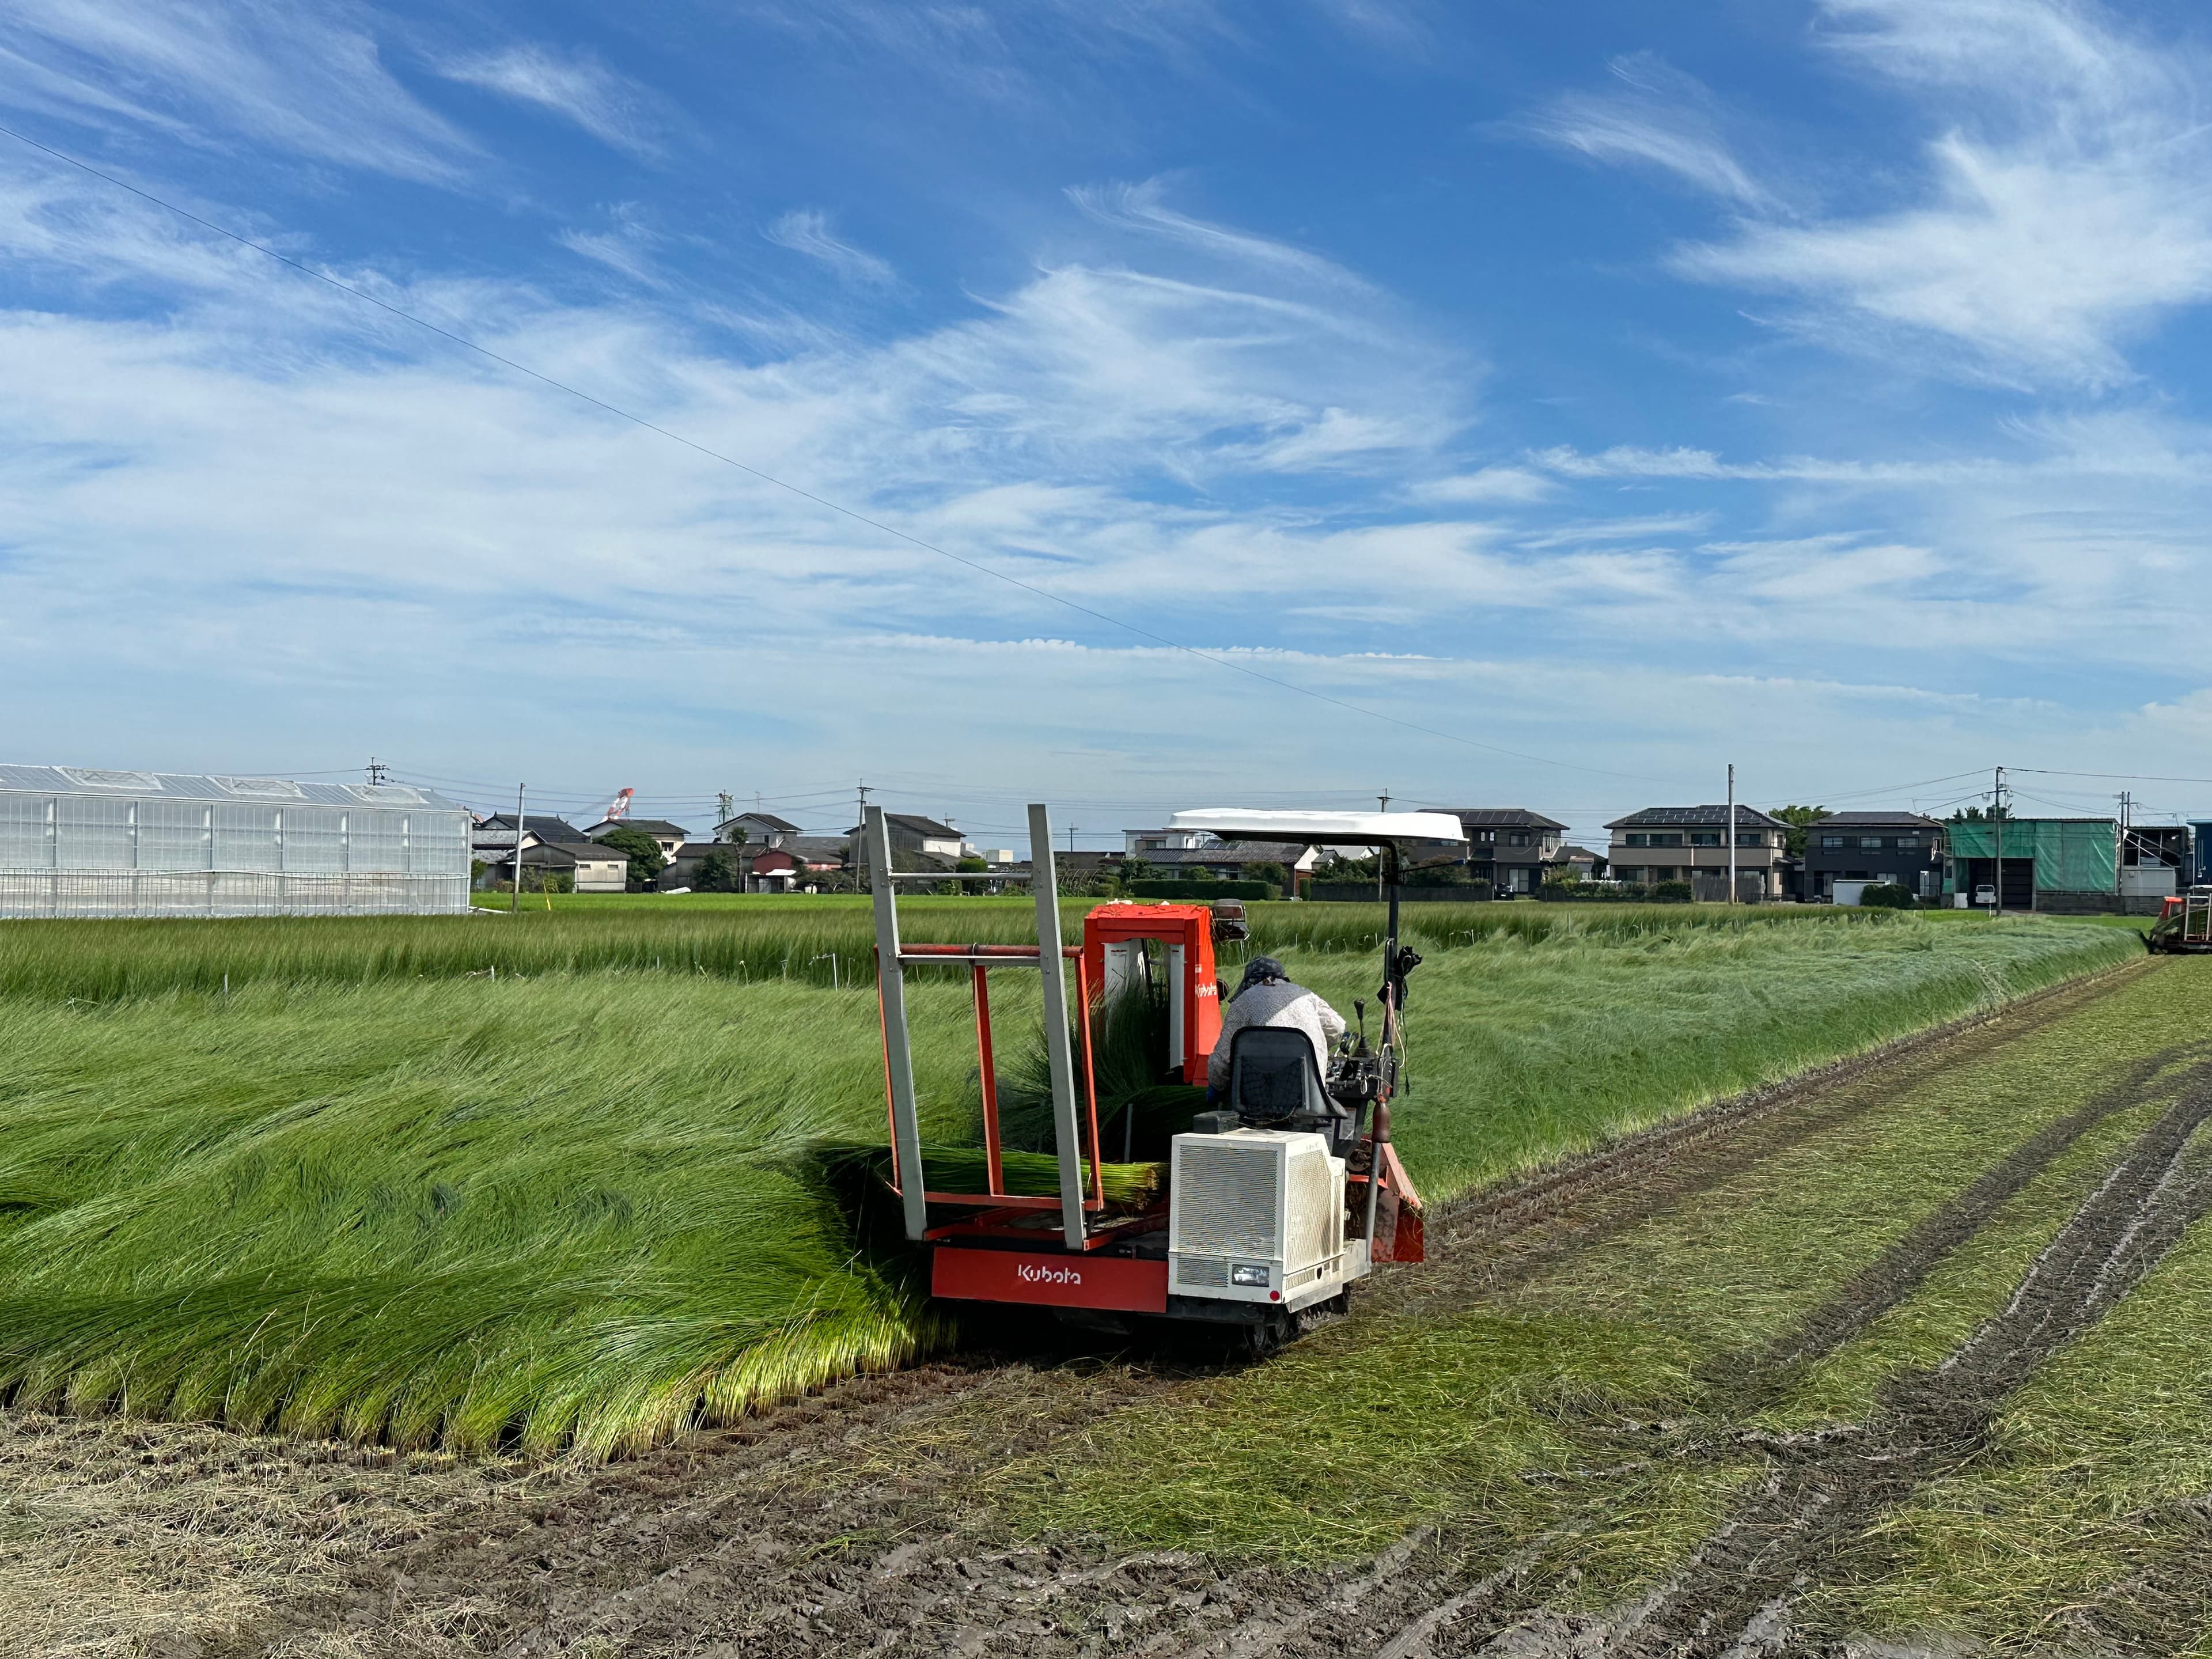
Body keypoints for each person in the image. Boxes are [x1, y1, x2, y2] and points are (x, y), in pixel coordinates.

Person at [1207, 956, 1346, 1100]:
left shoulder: (1243, 1002)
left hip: (1257, 1101)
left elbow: (1220, 1063)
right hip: (1312, 1099)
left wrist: (1217, 1088)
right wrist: (1312, 1047)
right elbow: (1337, 1026)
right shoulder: (1305, 996)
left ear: (1252, 981)